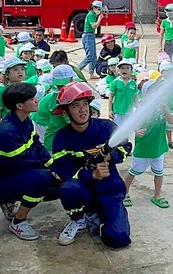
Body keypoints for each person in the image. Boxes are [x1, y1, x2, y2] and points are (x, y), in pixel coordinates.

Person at [50, 82, 132, 247]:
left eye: (85, 104)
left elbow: (126, 147)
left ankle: (100, 218)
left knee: (119, 239)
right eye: (76, 106)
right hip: (83, 189)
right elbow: (63, 170)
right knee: (68, 188)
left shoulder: (106, 127)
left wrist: (110, 156)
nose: (83, 110)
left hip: (109, 190)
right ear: (66, 111)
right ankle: (79, 219)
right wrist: (91, 174)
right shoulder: (61, 137)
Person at [0, 83, 60, 240]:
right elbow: (23, 163)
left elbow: (36, 145)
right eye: (32, 98)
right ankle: (18, 221)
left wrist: (53, 165)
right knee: (44, 180)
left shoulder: (24, 120)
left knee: (55, 179)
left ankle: (8, 201)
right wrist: (53, 174)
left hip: (7, 174)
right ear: (19, 106)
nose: (37, 100)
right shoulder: (7, 131)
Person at [123, 83, 173, 210]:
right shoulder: (141, 108)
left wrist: (166, 110)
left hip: (158, 148)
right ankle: (124, 193)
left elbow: (171, 121)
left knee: (159, 172)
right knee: (133, 172)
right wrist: (136, 130)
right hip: (144, 148)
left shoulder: (163, 107)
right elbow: (130, 122)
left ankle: (157, 195)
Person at [31, 64, 76, 153]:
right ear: (71, 79)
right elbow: (65, 120)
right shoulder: (60, 97)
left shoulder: (57, 93)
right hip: (42, 121)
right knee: (48, 141)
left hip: (41, 118)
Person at [0, 57, 27, 137]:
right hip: (7, 125)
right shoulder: (1, 90)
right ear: (7, 74)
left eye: (22, 69)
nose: (20, 72)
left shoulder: (25, 87)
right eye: (15, 69)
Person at [78, 0, 105, 79]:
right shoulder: (91, 15)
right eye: (98, 8)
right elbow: (94, 26)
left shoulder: (93, 14)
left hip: (91, 35)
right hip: (88, 36)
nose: (99, 10)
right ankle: (77, 69)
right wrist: (100, 19)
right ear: (93, 7)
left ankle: (91, 73)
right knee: (90, 56)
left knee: (93, 56)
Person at [108, 58, 138, 126]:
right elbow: (111, 97)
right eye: (122, 68)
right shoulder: (115, 83)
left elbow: (135, 97)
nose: (125, 70)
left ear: (131, 71)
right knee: (116, 129)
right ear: (118, 70)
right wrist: (110, 110)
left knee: (127, 131)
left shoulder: (133, 83)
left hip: (129, 112)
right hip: (117, 111)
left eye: (127, 68)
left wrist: (137, 108)